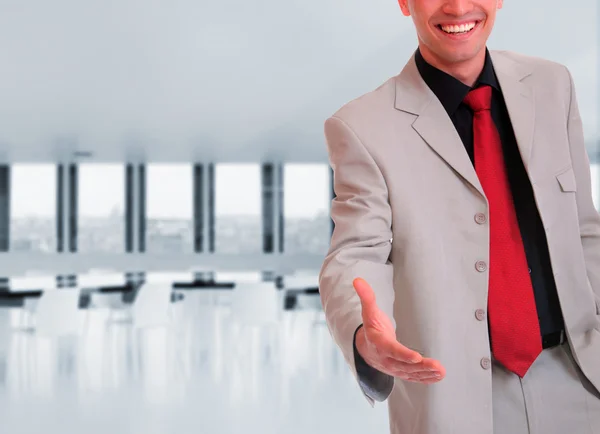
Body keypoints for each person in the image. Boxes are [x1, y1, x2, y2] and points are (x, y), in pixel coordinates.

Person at [318, 0, 600, 433]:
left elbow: (584, 229)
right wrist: (363, 336)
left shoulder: (552, 84)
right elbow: (357, 254)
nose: (458, 6)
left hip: (580, 379)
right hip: (455, 402)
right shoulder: (362, 126)